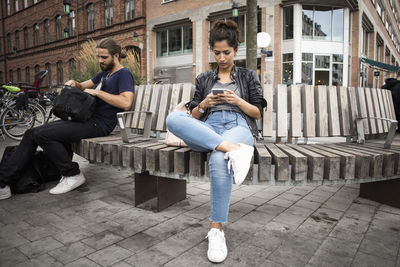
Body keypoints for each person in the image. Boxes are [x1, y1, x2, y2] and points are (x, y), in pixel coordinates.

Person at [166, 20, 267, 263]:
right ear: (212, 50)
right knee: (173, 118)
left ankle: (216, 229)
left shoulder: (247, 76)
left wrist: (237, 102)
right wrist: (203, 105)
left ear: (236, 49)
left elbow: (258, 112)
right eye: (217, 52)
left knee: (220, 157)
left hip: (237, 125)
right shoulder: (203, 78)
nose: (221, 58)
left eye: (227, 52)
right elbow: (192, 117)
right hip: (208, 127)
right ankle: (233, 150)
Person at [0, 38, 135, 199]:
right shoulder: (104, 74)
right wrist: (74, 83)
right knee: (32, 133)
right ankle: (3, 182)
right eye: (98, 57)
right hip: (85, 119)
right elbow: (82, 86)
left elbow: (126, 102)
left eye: (104, 57)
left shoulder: (124, 74)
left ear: (116, 56)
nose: (100, 61)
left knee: (41, 134)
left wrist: (98, 93)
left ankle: (72, 174)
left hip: (99, 124)